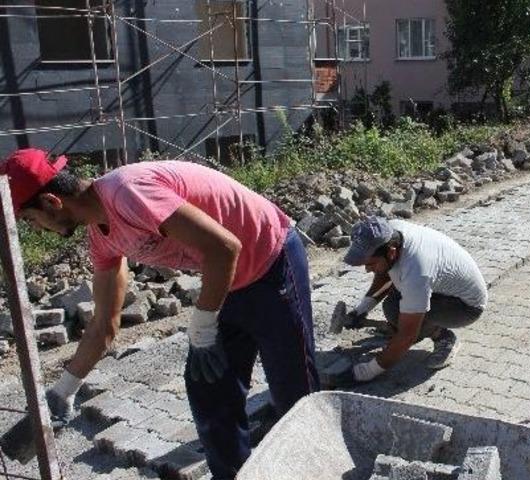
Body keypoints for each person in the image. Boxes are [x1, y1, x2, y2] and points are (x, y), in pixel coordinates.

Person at [0, 149, 318, 479]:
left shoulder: (128, 193)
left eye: (30, 219)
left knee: (295, 394)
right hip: (225, 281)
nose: (37, 228)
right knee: (210, 391)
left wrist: (203, 326)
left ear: (51, 202)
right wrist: (64, 391)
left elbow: (225, 247)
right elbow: (104, 324)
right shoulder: (101, 237)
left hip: (271, 262)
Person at [336, 216, 487, 385]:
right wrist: (362, 309)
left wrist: (364, 372)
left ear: (391, 252)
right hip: (441, 288)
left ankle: (444, 337)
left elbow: (407, 336)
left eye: (371, 264)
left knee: (404, 324)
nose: (366, 269)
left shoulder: (416, 272)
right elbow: (385, 273)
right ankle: (414, 329)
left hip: (466, 307)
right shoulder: (390, 233)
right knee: (392, 307)